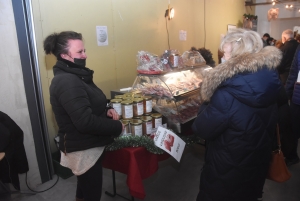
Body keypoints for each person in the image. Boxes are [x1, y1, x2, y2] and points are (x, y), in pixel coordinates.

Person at [192, 28, 281, 201]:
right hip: (256, 163)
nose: (223, 57)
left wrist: (206, 99)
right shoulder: (270, 79)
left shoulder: (228, 92)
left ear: (238, 57)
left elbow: (201, 129)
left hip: (227, 170)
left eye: (225, 53)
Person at [43, 31, 124, 201]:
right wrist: (117, 127)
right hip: (83, 150)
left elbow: (93, 98)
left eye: (84, 50)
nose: (85, 55)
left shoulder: (78, 74)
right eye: (79, 52)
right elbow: (85, 122)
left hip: (89, 144)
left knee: (84, 189)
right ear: (64, 55)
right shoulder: (67, 81)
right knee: (91, 194)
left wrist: (107, 108)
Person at [285, 44, 300, 166]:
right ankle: (292, 156)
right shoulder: (299, 48)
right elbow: (293, 72)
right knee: (292, 128)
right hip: (297, 96)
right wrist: (287, 93)